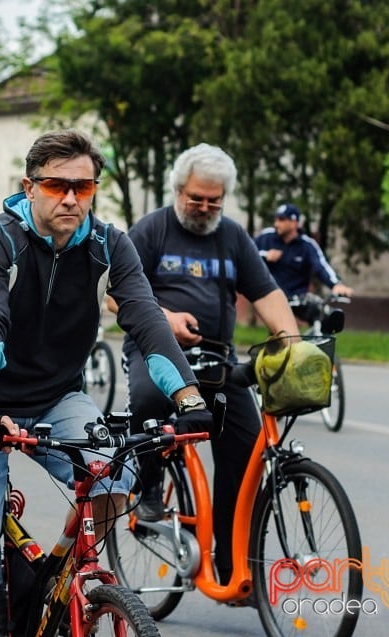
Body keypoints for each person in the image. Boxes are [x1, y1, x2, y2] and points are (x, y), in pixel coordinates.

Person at [0, 130, 211, 637]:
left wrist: (188, 399)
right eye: (58, 186)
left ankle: (54, 578)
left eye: (84, 187)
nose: (72, 198)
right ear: (29, 186)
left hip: (57, 398)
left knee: (114, 478)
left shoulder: (109, 246)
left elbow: (145, 320)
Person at [123, 142, 297, 591]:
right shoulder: (152, 230)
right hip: (155, 349)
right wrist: (166, 320)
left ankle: (232, 557)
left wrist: (293, 343)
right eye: (195, 198)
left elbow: (267, 293)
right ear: (178, 189)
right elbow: (116, 294)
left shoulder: (233, 237)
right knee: (147, 397)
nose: (203, 208)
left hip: (216, 358)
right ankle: (148, 489)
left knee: (245, 445)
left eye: (213, 201)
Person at [254, 202, 354, 314]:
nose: (276, 224)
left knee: (324, 317)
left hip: (298, 298)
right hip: (272, 296)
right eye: (276, 219)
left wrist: (336, 284)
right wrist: (265, 255)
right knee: (281, 328)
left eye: (281, 220)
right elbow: (246, 255)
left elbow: (321, 265)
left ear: (294, 222)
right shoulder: (266, 237)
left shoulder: (307, 245)